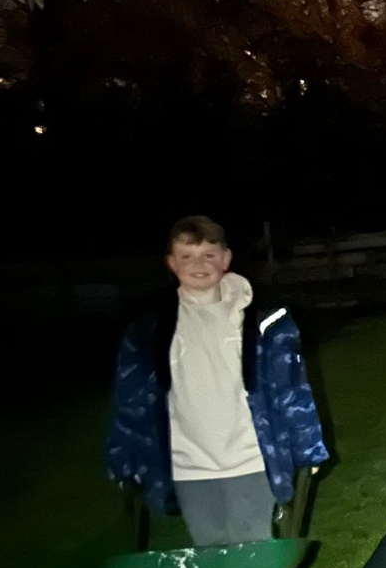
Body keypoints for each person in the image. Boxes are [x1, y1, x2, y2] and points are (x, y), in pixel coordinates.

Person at [106, 216, 328, 544]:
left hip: (250, 460)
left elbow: (291, 388)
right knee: (210, 551)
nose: (199, 265)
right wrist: (123, 458)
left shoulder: (263, 319)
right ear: (171, 262)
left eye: (209, 255)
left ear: (225, 259)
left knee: (253, 549)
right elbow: (132, 398)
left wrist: (308, 447)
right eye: (187, 256)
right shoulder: (148, 329)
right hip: (188, 468)